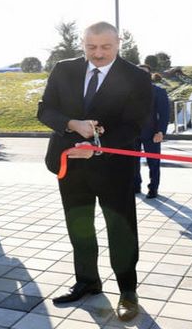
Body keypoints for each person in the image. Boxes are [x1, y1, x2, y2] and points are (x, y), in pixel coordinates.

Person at [37, 22, 152, 321]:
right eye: (91, 47)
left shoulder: (136, 76)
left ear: (118, 43)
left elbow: (135, 125)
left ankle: (128, 291)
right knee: (80, 227)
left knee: (121, 230)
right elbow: (45, 110)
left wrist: (98, 145)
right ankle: (87, 281)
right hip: (70, 165)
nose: (98, 53)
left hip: (114, 169)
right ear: (82, 43)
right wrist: (72, 124)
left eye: (106, 47)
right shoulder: (63, 69)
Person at [135, 64, 170, 198]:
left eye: (144, 73)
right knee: (132, 163)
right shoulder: (128, 92)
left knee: (153, 163)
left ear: (149, 75)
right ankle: (135, 186)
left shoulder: (159, 92)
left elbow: (164, 114)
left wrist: (160, 131)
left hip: (152, 133)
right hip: (132, 134)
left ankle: (153, 188)